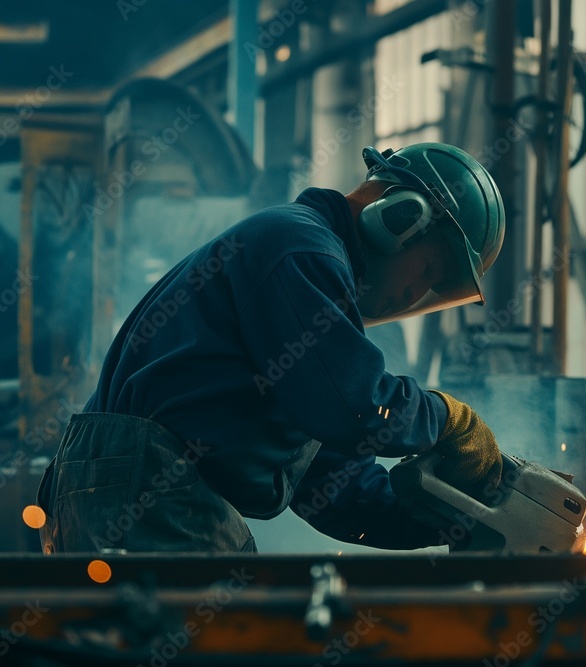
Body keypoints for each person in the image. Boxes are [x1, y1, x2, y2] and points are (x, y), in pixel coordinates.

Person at [35, 143, 506, 553]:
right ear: (400, 217)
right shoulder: (300, 247)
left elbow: (338, 489)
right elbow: (356, 406)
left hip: (127, 491)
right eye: (428, 272)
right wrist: (448, 420)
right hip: (145, 496)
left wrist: (463, 520)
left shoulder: (305, 294)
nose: (414, 297)